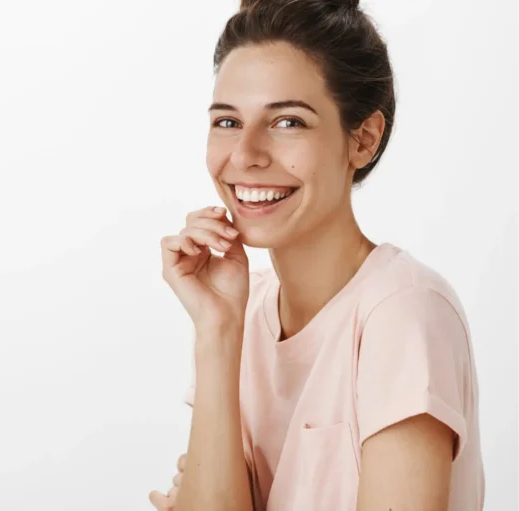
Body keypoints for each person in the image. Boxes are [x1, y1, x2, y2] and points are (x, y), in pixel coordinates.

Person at [148, 0, 485, 509]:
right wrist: (217, 333)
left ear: (363, 140)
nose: (244, 155)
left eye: (288, 123)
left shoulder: (400, 313)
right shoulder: (241, 309)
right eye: (227, 122)